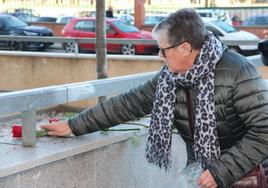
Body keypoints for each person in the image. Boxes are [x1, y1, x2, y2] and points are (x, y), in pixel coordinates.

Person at [41, 8, 268, 188]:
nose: (159, 56)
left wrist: (222, 171)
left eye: (163, 50)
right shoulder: (170, 77)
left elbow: (264, 130)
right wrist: (73, 125)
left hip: (245, 173)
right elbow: (128, 103)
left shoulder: (237, 71)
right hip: (201, 173)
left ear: (186, 48)